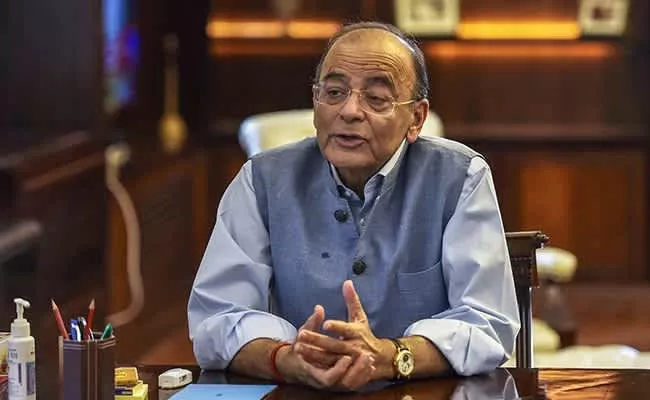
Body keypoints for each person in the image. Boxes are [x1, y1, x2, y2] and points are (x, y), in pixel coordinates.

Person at [188, 21, 519, 391]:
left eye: (376, 98)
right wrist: (284, 359)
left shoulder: (460, 177)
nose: (349, 111)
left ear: (416, 118)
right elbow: (216, 318)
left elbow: (487, 323)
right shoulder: (262, 180)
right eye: (334, 92)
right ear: (315, 102)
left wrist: (392, 356)